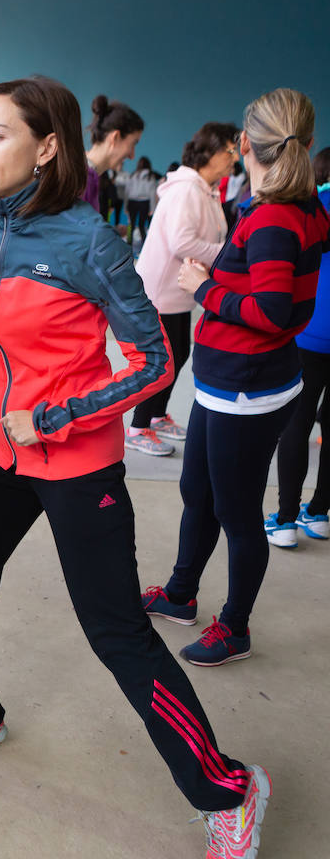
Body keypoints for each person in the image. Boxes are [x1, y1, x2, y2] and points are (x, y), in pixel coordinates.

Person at [0, 75, 271, 859]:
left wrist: (58, 415)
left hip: (74, 462)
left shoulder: (90, 245)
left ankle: (230, 790)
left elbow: (154, 361)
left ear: (47, 148)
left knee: (119, 637)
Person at [142, 89, 329, 670]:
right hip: (227, 383)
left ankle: (235, 627)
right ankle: (179, 593)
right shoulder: (289, 205)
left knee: (237, 511)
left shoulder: (274, 216)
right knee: (197, 490)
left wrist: (204, 289)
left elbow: (275, 314)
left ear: (246, 144)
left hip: (245, 392)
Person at [127, 123, 238, 456]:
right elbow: (181, 241)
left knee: (179, 355)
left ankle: (158, 417)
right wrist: (228, 255)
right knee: (162, 362)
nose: (235, 158)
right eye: (230, 151)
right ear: (211, 152)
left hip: (180, 293)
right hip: (160, 291)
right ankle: (137, 427)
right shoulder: (187, 189)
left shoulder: (205, 187)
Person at [264, 146, 330, 546]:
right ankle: (320, 513)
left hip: (309, 334)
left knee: (297, 422)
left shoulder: (312, 207)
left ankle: (286, 519)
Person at [83, 94, 143, 214]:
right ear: (115, 137)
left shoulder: (89, 176)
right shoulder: (81, 180)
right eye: (132, 144)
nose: (132, 156)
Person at [124, 155, 158, 245]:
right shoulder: (151, 177)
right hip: (144, 202)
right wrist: (152, 208)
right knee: (142, 225)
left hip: (132, 202)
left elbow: (127, 192)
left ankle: (128, 243)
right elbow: (152, 194)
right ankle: (145, 245)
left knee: (131, 224)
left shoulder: (133, 175)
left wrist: (125, 206)